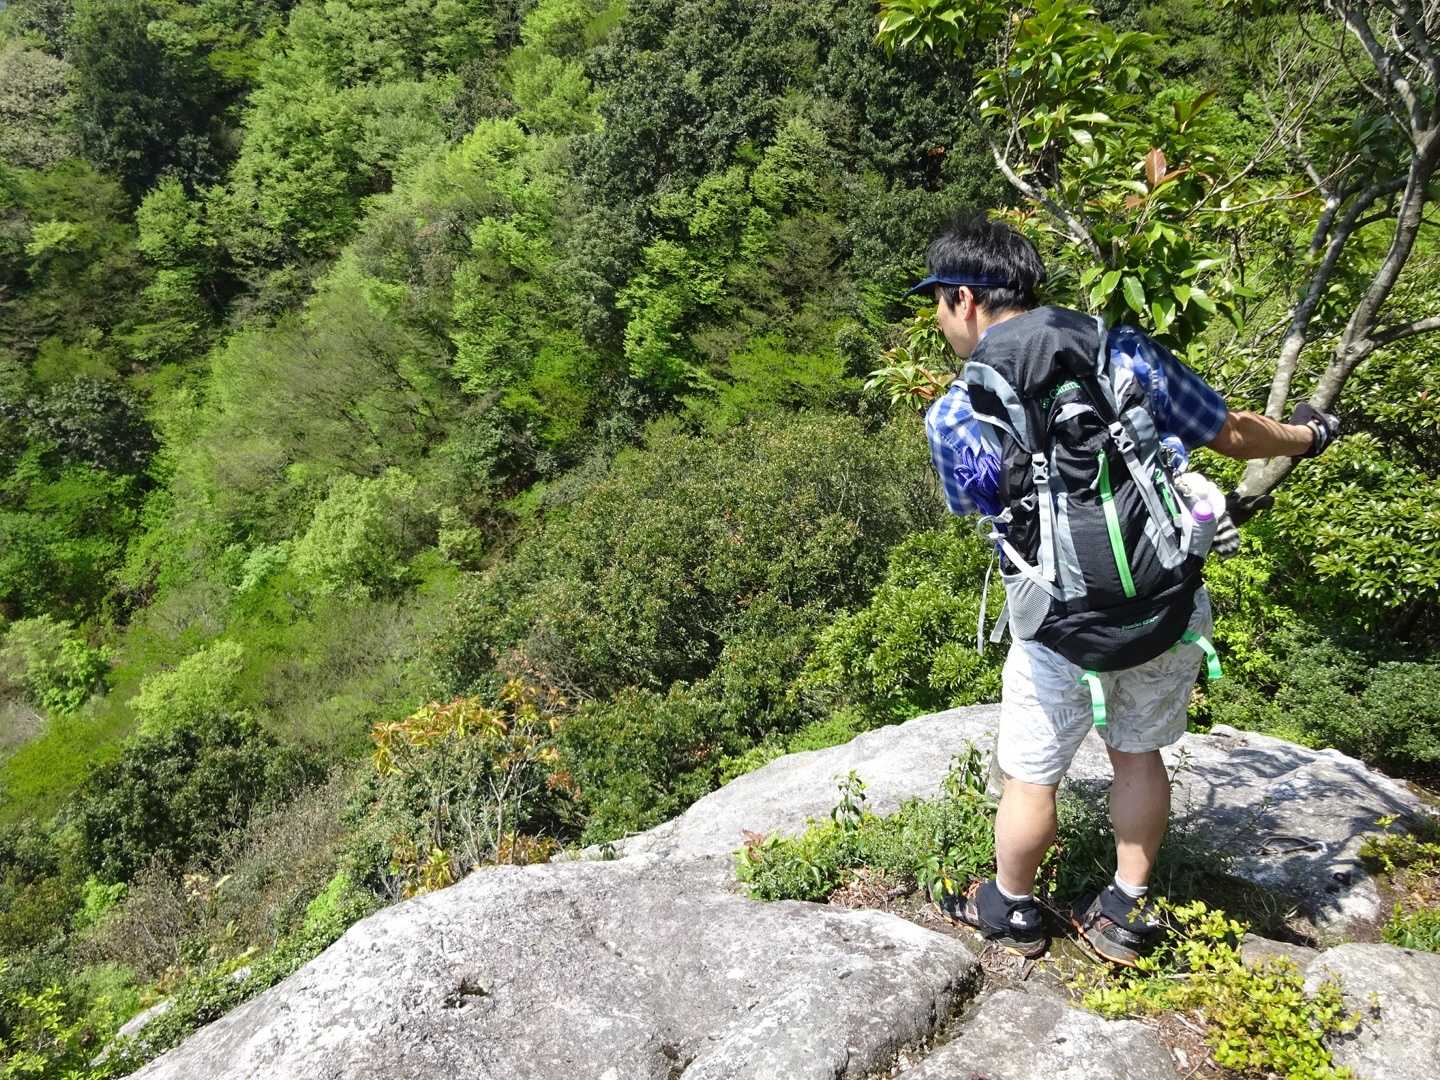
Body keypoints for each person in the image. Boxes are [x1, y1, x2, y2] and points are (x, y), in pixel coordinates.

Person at [914, 215, 1340, 965]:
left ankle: (1011, 907)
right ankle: (1125, 909)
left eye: (938, 304)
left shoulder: (955, 414)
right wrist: (1309, 436)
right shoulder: (1124, 353)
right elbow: (1232, 433)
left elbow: (980, 508)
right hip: (1163, 605)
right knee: (1139, 756)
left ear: (965, 298)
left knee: (1030, 776)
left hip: (1059, 625)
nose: (941, 321)